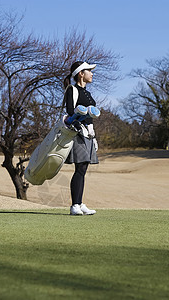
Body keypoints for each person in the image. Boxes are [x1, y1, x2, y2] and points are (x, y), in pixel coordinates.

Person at [63, 61, 99, 215]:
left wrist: (93, 135)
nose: (92, 73)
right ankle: (74, 206)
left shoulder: (88, 93)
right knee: (80, 168)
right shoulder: (72, 90)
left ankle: (80, 203)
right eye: (89, 71)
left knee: (83, 169)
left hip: (88, 134)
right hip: (77, 133)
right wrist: (79, 126)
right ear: (80, 74)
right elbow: (71, 111)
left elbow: (90, 116)